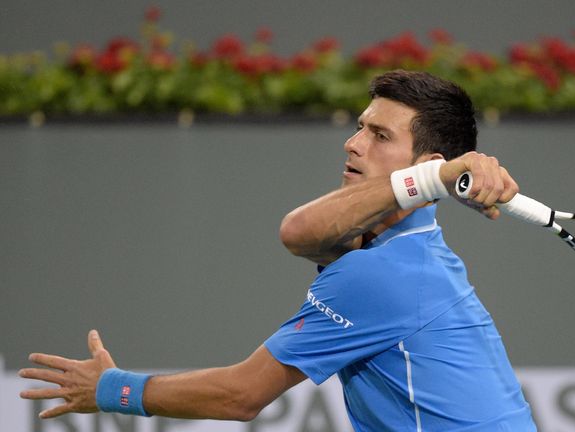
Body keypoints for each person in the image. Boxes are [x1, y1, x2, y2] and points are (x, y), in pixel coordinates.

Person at [19, 70, 537, 431]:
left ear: (429, 160)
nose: (353, 143)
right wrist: (434, 180)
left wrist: (112, 389)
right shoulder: (400, 246)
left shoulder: (386, 273)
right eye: (360, 126)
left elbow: (240, 396)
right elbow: (298, 232)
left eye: (379, 135)